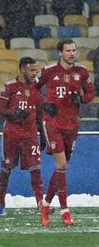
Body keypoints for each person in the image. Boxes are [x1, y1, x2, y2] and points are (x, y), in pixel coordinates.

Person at [37, 39, 95, 227]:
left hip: (72, 124)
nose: (72, 53)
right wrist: (44, 105)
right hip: (53, 122)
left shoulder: (82, 72)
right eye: (68, 50)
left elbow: (91, 93)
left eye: (74, 50)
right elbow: (32, 89)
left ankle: (45, 204)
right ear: (59, 53)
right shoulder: (49, 71)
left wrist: (82, 98)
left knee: (61, 169)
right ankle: (65, 211)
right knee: (61, 164)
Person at [0, 57, 45, 216]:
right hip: (12, 135)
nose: (34, 73)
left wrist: (43, 135)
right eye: (32, 70)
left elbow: (40, 113)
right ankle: (1, 203)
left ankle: (40, 204)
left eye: (35, 70)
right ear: (23, 69)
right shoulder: (9, 87)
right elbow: (0, 110)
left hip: (30, 136)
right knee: (6, 170)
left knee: (36, 170)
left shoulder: (36, 88)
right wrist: (14, 113)